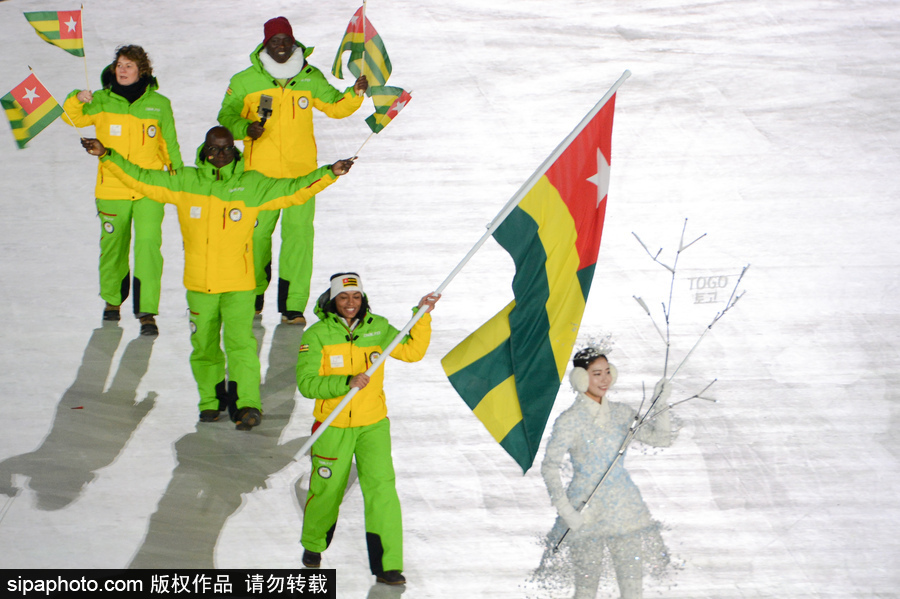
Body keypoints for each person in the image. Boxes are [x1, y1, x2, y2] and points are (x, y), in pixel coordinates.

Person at [80, 127, 355, 430]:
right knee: (205, 348)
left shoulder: (251, 185)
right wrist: (107, 155)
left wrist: (330, 172)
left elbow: (293, 189)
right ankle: (211, 402)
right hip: (200, 287)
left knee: (241, 347)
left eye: (226, 149)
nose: (220, 155)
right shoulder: (186, 182)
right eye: (214, 149)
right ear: (205, 150)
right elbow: (141, 179)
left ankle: (247, 405)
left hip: (239, 285)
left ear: (235, 151)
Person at [218, 16, 368, 325]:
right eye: (275, 41)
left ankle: (292, 306)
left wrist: (354, 93)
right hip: (260, 177)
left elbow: (336, 106)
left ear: (294, 42)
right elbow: (226, 116)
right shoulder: (245, 80)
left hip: (302, 175)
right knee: (257, 235)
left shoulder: (310, 77)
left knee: (299, 237)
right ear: (265, 45)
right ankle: (253, 295)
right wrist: (245, 129)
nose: (282, 47)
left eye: (286, 40)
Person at [295, 273, 440, 584]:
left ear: (363, 300)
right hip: (331, 427)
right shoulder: (317, 335)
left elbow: (412, 352)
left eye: (356, 297)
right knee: (327, 491)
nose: (351, 303)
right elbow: (307, 384)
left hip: (373, 424)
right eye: (344, 297)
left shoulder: (378, 327)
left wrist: (421, 315)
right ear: (333, 300)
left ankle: (388, 565)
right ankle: (313, 544)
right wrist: (345, 382)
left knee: (382, 491)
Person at [64, 45, 183, 336]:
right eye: (119, 64)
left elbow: (169, 145)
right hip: (112, 188)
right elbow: (72, 118)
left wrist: (178, 180)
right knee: (113, 247)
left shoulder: (159, 104)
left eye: (129, 65)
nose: (122, 70)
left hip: (149, 189)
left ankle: (146, 311)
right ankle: (112, 301)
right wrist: (77, 99)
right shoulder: (102, 101)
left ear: (142, 70)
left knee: (147, 246)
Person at [539, 346, 673, 599]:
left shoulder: (622, 413)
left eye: (608, 372)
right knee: (586, 589)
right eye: (596, 373)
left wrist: (662, 404)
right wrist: (566, 511)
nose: (604, 379)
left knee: (633, 588)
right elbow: (549, 467)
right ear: (580, 378)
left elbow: (661, 439)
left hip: (625, 511)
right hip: (585, 512)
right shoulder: (569, 420)